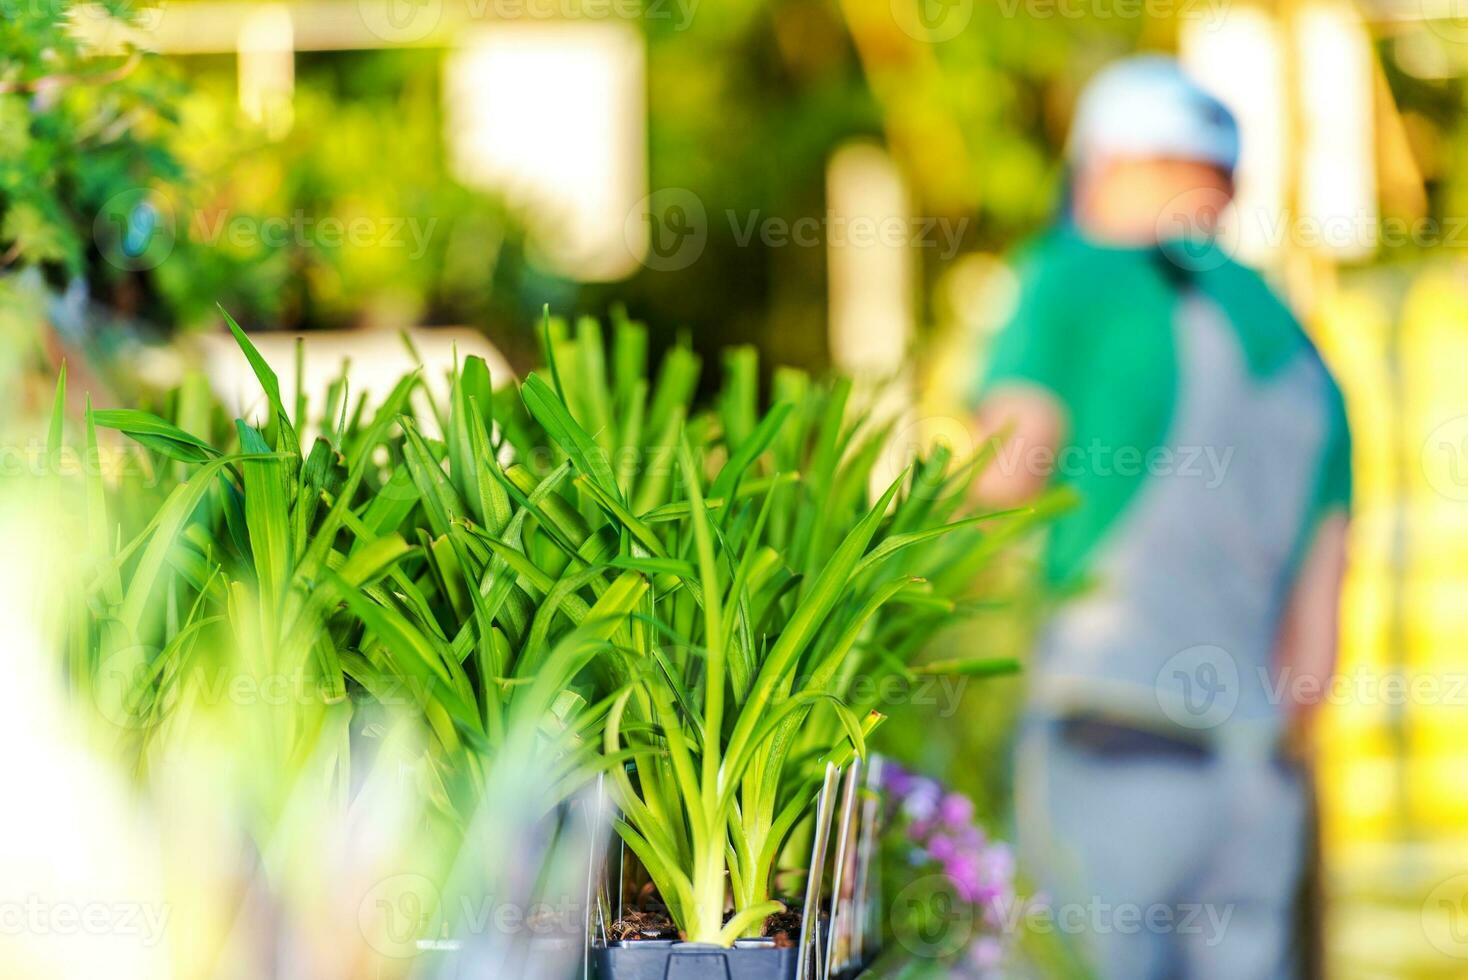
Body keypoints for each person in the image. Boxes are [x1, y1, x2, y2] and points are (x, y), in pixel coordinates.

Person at [970, 56, 1351, 979]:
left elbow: (998, 488)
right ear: (1223, 183)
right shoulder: (1301, 351)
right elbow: (1313, 657)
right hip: (1256, 787)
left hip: (1111, 755)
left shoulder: (1073, 279)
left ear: (1101, 163)